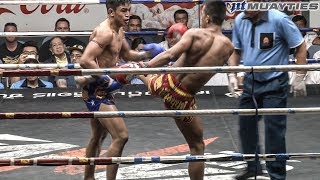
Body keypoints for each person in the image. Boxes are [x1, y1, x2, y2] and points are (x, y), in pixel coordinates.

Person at [122, 1, 233, 179]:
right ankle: (137, 69)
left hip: (165, 82)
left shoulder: (195, 34)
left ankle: (135, 68)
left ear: (206, 17)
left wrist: (145, 66)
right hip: (183, 98)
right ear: (224, 18)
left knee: (157, 84)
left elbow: (169, 55)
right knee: (197, 146)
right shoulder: (228, 47)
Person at [78, 0, 164, 179]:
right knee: (121, 136)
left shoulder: (119, 29)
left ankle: (88, 177)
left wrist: (147, 53)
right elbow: (85, 60)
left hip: (103, 86)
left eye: (129, 10)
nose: (127, 14)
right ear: (111, 12)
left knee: (97, 137)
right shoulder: (104, 32)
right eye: (123, 10)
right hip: (96, 89)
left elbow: (126, 54)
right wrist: (106, 79)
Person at [228, 1, 307, 179]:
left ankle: (277, 176)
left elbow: (300, 46)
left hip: (275, 82)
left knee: (274, 131)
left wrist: (300, 76)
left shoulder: (280, 19)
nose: (246, 8)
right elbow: (236, 50)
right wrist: (232, 74)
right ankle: (253, 167)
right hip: (250, 82)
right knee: (245, 126)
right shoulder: (241, 20)